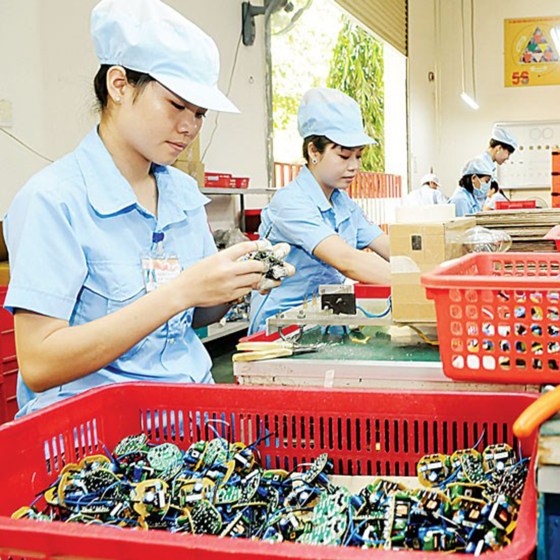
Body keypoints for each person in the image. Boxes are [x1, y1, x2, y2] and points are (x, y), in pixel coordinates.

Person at [3, 0, 289, 417]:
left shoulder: (183, 194)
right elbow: (40, 363)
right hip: (99, 435)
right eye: (176, 106)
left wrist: (238, 281)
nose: (190, 126)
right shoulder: (53, 200)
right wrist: (181, 290)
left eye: (199, 113)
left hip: (192, 415)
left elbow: (188, 319)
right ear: (119, 85)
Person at [248, 88, 391, 334]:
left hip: (326, 317)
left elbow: (387, 245)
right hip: (282, 327)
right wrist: (420, 284)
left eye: (358, 156)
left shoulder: (343, 203)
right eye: (344, 156)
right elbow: (348, 261)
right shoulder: (289, 202)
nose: (354, 166)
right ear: (314, 151)